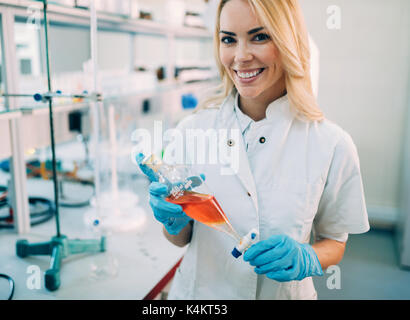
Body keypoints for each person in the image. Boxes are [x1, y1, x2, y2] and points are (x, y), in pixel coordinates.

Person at [137, 0, 369, 300]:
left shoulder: (332, 144)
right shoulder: (191, 131)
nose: (240, 56)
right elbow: (180, 240)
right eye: (228, 39)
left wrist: (308, 258)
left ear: (289, 42)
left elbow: (335, 242)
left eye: (259, 37)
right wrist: (173, 222)